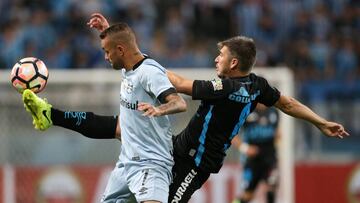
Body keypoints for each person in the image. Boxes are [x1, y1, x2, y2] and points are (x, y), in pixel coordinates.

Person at [24, 13, 349, 203]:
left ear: (233, 63)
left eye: (220, 56)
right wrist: (321, 122)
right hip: (179, 146)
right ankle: (52, 115)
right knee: (122, 127)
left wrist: (137, 62)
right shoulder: (258, 85)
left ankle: (52, 115)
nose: (215, 59)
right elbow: (288, 102)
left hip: (197, 161)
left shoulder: (224, 88)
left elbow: (179, 87)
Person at [22, 14, 187, 203]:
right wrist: (107, 31)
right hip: (126, 164)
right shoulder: (129, 64)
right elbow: (125, 44)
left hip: (151, 165)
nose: (106, 57)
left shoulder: (149, 73)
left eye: (108, 52)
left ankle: (51, 115)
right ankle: (50, 115)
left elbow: (179, 103)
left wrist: (160, 109)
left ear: (120, 50)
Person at [231, 104, 280, 203]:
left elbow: (277, 133)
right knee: (247, 196)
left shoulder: (274, 112)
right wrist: (245, 148)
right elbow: (231, 134)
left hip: (269, 158)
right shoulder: (247, 111)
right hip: (252, 161)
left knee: (272, 186)